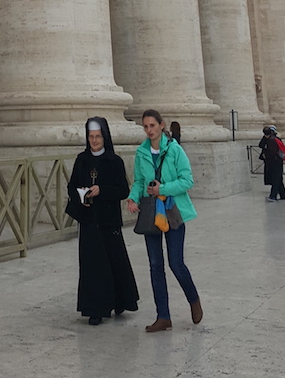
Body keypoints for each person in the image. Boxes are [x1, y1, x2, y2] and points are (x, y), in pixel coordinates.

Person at [127, 109, 202, 333]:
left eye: (152, 125)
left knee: (176, 263)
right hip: (151, 211)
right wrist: (132, 197)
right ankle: (163, 316)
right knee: (155, 264)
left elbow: (187, 180)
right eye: (145, 127)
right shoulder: (141, 152)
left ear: (162, 125)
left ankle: (194, 300)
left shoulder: (175, 150)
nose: (149, 130)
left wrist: (163, 189)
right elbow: (139, 181)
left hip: (173, 211)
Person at [66, 118, 139, 326]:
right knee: (93, 265)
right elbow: (72, 186)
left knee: (113, 262)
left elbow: (123, 190)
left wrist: (102, 190)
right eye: (91, 137)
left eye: (98, 137)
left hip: (108, 220)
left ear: (104, 137)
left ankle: (119, 300)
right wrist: (82, 195)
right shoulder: (82, 160)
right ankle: (95, 309)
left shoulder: (114, 161)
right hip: (89, 220)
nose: (94, 141)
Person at [260, 126, 285, 201]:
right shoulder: (275, 138)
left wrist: (265, 155)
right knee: (278, 179)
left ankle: (273, 196)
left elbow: (272, 152)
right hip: (278, 162)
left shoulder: (271, 140)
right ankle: (283, 195)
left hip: (275, 162)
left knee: (275, 179)